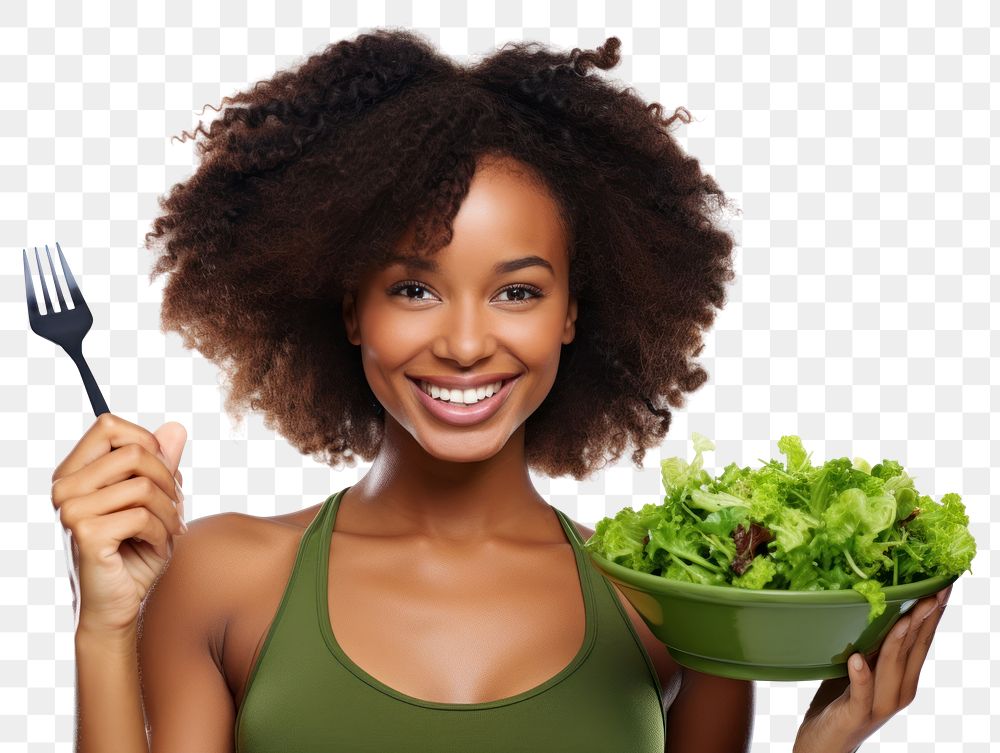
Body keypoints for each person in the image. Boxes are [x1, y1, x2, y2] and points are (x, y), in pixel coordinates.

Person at [54, 29, 950, 753]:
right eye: (413, 287)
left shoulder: (668, 606)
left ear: (573, 313)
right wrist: (105, 630)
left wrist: (825, 749)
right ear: (351, 308)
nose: (468, 342)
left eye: (518, 290)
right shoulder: (225, 578)